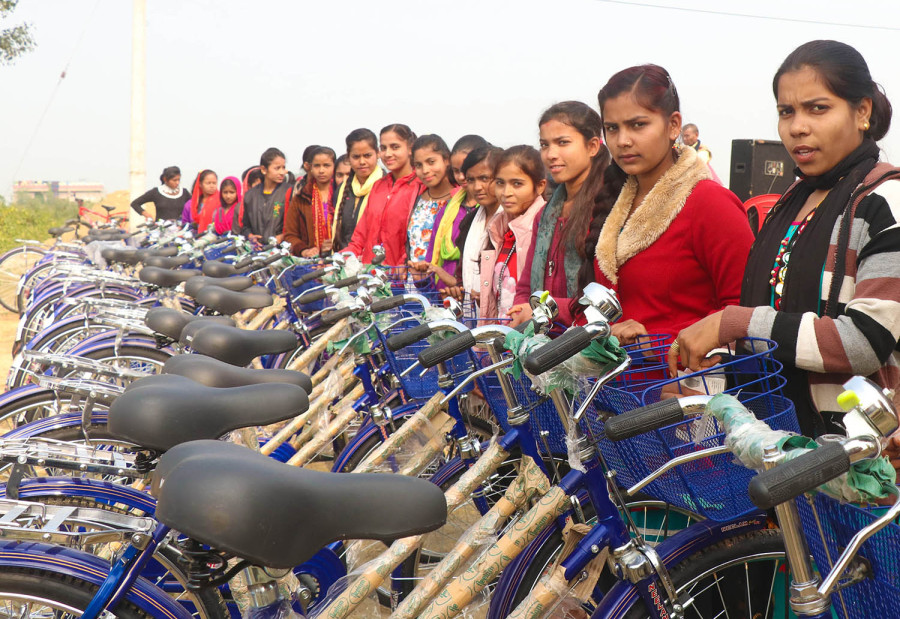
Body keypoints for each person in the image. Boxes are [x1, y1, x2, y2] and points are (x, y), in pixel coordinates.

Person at [670, 40, 900, 443]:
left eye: (818, 108)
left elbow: (865, 340)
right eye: (786, 111)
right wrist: (715, 366)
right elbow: (774, 318)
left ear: (862, 112)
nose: (797, 126)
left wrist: (732, 323)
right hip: (777, 445)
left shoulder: (884, 200)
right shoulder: (790, 202)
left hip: (852, 458)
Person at [589, 65, 753, 345]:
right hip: (619, 382)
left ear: (674, 125)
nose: (623, 141)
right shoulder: (619, 201)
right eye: (612, 128)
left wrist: (655, 342)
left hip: (682, 383)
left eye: (638, 124)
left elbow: (745, 311)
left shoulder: (710, 203)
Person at [509, 101, 610, 327]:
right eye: (545, 145)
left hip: (589, 343)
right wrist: (521, 308)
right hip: (545, 344)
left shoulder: (608, 208)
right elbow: (526, 285)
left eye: (563, 143)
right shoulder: (545, 215)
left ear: (592, 146)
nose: (551, 154)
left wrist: (547, 309)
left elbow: (609, 297)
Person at [477, 145, 547, 320]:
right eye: (500, 183)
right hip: (503, 336)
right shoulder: (499, 229)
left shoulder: (546, 227)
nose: (506, 193)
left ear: (540, 186)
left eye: (517, 184)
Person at [346, 124, 422, 265]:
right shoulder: (378, 186)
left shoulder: (420, 187)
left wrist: (401, 269)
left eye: (395, 147)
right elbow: (359, 238)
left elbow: (416, 241)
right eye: (383, 148)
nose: (387, 154)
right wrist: (339, 259)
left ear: (410, 148)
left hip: (401, 278)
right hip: (371, 276)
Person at [406, 135, 459, 280]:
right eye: (418, 165)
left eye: (431, 162)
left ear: (446, 160)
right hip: (414, 285)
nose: (425, 170)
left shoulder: (458, 201)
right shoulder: (416, 198)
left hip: (444, 287)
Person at [457, 146, 503, 297]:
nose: (477, 187)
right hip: (472, 313)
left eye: (484, 178)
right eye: (471, 180)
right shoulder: (469, 222)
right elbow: (462, 276)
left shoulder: (513, 222)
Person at [331, 128, 384, 251]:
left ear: (378, 153)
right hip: (344, 259)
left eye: (367, 156)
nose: (362, 162)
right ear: (348, 157)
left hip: (374, 262)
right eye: (356, 157)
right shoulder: (342, 189)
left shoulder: (386, 186)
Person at [284, 146, 338, 257]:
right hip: (311, 261)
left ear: (334, 167)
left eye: (326, 165)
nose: (321, 170)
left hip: (341, 258)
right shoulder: (301, 198)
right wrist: (304, 250)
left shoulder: (343, 194)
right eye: (317, 166)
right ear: (310, 168)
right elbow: (290, 235)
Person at [237, 147, 292, 245]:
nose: (282, 172)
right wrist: (250, 236)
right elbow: (245, 226)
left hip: (280, 251)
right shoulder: (250, 195)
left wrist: (283, 236)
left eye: (283, 167)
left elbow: (295, 225)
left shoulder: (289, 191)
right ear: (263, 169)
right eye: (277, 168)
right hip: (257, 250)